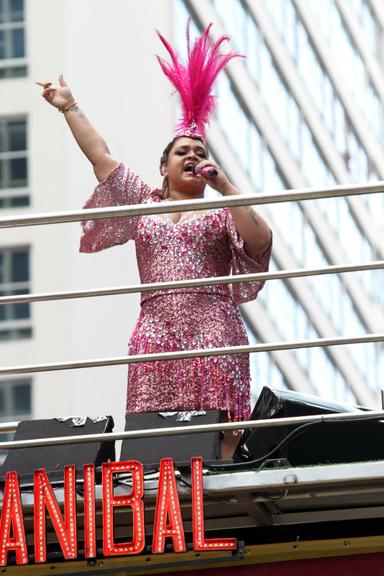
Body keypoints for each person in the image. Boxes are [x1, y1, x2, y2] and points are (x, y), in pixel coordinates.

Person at [37, 25, 272, 459]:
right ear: (163, 167)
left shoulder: (222, 210)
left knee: (219, 428)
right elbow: (101, 159)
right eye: (183, 151)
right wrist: (69, 107)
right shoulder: (144, 203)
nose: (194, 158)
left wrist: (226, 187)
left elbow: (259, 242)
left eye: (200, 153)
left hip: (213, 328)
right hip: (155, 331)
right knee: (152, 430)